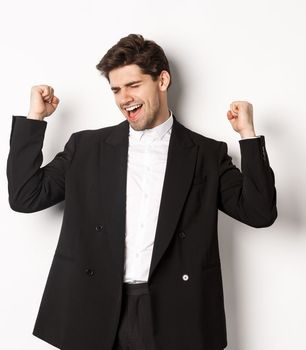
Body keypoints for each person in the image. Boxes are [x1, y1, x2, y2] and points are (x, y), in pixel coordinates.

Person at [7, 34, 278, 350]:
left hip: (175, 314)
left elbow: (259, 213)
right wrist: (34, 118)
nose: (124, 98)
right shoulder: (86, 147)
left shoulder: (205, 153)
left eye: (133, 85)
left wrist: (247, 135)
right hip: (94, 308)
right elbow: (25, 196)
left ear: (162, 80)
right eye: (116, 89)